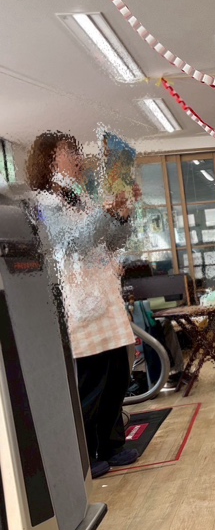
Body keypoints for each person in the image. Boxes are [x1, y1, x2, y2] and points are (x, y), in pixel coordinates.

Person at [26, 131, 140, 478]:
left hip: (104, 299)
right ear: (49, 161)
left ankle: (112, 445)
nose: (78, 159)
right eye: (69, 153)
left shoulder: (83, 199)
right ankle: (85, 455)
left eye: (77, 152)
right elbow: (75, 242)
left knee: (118, 375)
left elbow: (112, 242)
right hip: (80, 307)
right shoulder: (44, 205)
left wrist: (122, 214)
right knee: (92, 382)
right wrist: (106, 212)